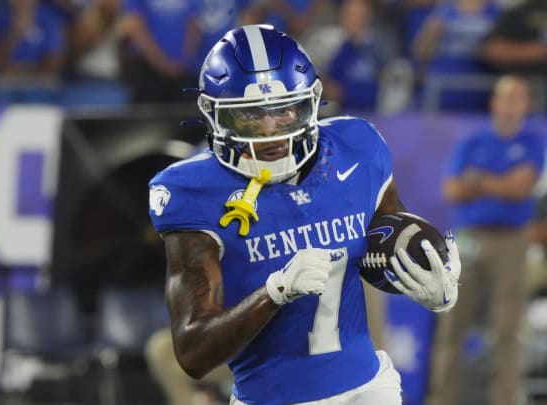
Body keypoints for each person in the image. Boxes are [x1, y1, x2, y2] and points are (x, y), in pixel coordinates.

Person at [147, 24, 461, 405]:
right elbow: (193, 352)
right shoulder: (191, 191)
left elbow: (385, 248)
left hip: (367, 388)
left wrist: (432, 283)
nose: (271, 132)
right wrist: (275, 292)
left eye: (284, 112)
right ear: (214, 116)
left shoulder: (356, 148)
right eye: (248, 116)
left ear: (310, 102)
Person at [427, 74, 544, 405]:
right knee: (452, 327)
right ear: (494, 102)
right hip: (468, 238)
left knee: (507, 331)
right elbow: (451, 189)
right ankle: (442, 400)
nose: (509, 105)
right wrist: (500, 183)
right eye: (504, 97)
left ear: (525, 105)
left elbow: (521, 187)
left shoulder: (534, 141)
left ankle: (504, 400)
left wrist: (477, 180)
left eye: (516, 98)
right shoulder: (472, 139)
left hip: (512, 241)